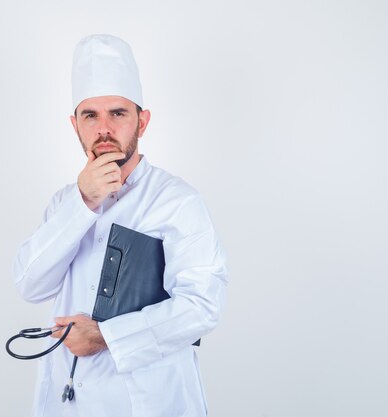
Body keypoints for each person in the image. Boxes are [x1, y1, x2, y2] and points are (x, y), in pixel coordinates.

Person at [13, 34, 228, 417]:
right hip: (69, 399)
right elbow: (31, 285)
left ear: (142, 122)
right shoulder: (65, 201)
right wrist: (84, 201)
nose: (104, 128)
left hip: (152, 400)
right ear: (74, 125)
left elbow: (201, 306)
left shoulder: (176, 201)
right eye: (90, 115)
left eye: (118, 113)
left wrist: (104, 335)